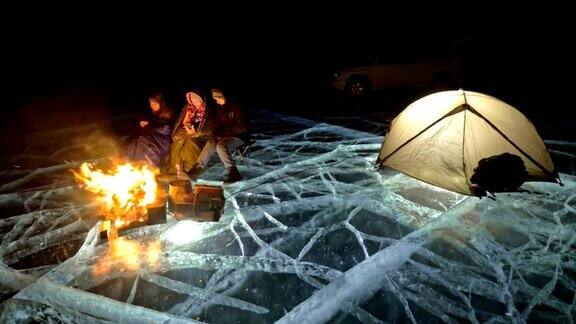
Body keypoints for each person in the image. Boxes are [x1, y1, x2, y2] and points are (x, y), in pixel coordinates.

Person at [194, 88, 248, 183]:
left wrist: (226, 132)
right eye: (215, 99)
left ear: (225, 96)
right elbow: (218, 124)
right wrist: (216, 133)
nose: (217, 101)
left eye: (219, 98)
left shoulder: (237, 107)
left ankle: (234, 173)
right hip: (226, 135)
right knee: (212, 141)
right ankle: (197, 169)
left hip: (239, 136)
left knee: (221, 146)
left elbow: (243, 127)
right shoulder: (220, 108)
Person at [168, 89, 217, 178]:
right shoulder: (188, 110)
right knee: (177, 142)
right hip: (189, 133)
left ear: (202, 99)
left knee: (191, 142)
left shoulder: (209, 111)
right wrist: (186, 129)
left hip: (203, 137)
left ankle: (189, 170)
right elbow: (180, 125)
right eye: (192, 99)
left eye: (197, 99)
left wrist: (195, 132)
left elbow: (210, 127)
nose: (194, 101)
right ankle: (175, 169)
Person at [125, 92, 174, 167]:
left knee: (146, 143)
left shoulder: (169, 113)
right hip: (153, 135)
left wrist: (149, 125)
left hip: (164, 140)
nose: (152, 106)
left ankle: (148, 168)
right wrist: (145, 125)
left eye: (155, 104)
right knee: (135, 142)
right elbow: (153, 122)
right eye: (151, 103)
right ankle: (130, 165)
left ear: (161, 103)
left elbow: (166, 128)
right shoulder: (154, 113)